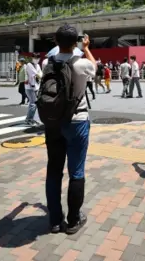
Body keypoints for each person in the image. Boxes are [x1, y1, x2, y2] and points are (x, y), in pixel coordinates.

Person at [43, 25, 96, 234]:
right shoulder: (82, 64)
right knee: (76, 171)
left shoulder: (49, 63)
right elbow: (94, 66)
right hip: (77, 121)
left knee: (54, 170)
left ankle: (55, 220)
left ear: (56, 42)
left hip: (53, 122)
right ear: (76, 43)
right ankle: (73, 220)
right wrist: (87, 48)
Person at [25, 56, 41, 125]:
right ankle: (29, 119)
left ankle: (31, 118)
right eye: (35, 58)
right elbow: (37, 74)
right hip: (29, 87)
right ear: (32, 58)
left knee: (34, 104)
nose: (37, 59)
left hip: (36, 87)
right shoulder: (29, 65)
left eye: (38, 58)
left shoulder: (38, 65)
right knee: (33, 104)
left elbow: (40, 73)